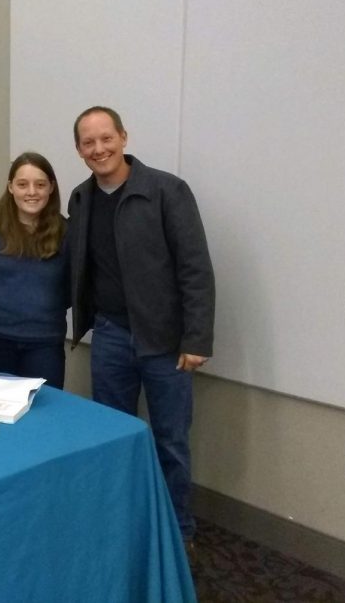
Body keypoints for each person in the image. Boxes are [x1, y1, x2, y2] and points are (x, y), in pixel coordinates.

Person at [67, 106, 215, 548]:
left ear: (124, 137)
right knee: (114, 437)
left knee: (170, 441)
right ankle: (122, 524)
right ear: (79, 150)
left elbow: (195, 268)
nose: (99, 149)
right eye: (88, 142)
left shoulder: (167, 191)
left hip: (166, 342)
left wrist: (196, 338)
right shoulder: (80, 198)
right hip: (110, 336)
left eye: (106, 138)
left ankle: (177, 531)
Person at [0, 152, 69, 388]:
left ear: (51, 188)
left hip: (44, 345)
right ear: (10, 187)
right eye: (23, 184)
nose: (31, 192)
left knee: (43, 415)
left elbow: (71, 289)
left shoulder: (66, 233)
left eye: (40, 184)